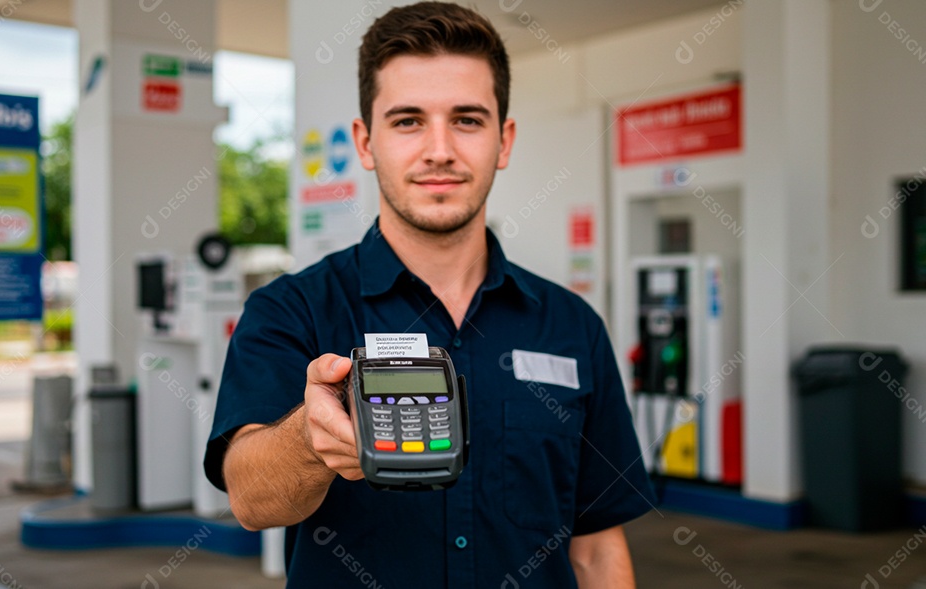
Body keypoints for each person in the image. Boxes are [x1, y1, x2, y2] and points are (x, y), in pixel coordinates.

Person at [204, 3, 654, 587]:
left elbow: (596, 548)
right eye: (408, 120)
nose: (439, 149)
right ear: (366, 143)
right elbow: (250, 498)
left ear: (504, 139)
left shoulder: (572, 326)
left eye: (467, 119)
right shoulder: (290, 310)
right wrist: (308, 440)